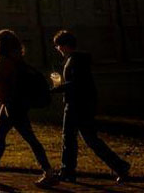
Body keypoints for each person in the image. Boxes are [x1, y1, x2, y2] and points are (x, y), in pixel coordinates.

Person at [0, 29, 58, 187]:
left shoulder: (3, 60)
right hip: (14, 102)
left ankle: (48, 172)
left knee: (29, 138)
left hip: (12, 104)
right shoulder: (16, 58)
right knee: (0, 134)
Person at [51, 30, 130, 183]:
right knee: (90, 139)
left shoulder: (74, 61)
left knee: (69, 139)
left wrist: (57, 88)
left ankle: (67, 171)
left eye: (58, 46)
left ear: (65, 45)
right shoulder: (78, 60)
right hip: (83, 104)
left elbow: (75, 83)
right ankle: (120, 166)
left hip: (75, 104)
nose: (58, 49)